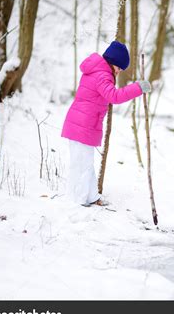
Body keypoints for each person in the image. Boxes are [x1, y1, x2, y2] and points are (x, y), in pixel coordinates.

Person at [61, 40, 151, 206]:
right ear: (113, 63)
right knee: (81, 165)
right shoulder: (102, 74)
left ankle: (91, 197)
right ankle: (78, 201)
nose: (118, 73)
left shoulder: (96, 70)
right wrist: (138, 88)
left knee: (84, 163)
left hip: (80, 124)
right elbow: (114, 97)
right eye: (118, 69)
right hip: (83, 125)